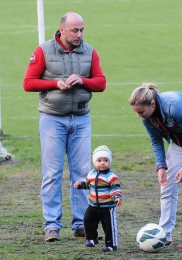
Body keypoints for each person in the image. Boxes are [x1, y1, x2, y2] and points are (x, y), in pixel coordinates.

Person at [23, 12, 106, 242]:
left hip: (80, 119)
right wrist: (54, 84)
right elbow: (28, 82)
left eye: (82, 30)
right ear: (62, 30)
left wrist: (82, 80)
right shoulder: (43, 51)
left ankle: (81, 224)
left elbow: (101, 83)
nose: (79, 34)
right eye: (75, 30)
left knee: (81, 174)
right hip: (52, 119)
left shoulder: (90, 51)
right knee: (52, 173)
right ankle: (52, 225)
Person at [129, 83, 182, 249]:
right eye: (136, 112)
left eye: (141, 112)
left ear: (152, 104)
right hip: (179, 141)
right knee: (167, 187)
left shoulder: (172, 107)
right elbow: (156, 140)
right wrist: (161, 166)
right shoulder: (147, 117)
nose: (139, 116)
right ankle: (164, 234)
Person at [74, 145, 122, 252]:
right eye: (99, 160)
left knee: (109, 227)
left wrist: (117, 197)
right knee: (88, 221)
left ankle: (111, 245)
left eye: (106, 160)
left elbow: (115, 188)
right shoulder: (91, 174)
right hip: (93, 205)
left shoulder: (111, 176)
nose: (102, 163)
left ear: (109, 162)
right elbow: (88, 184)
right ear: (94, 162)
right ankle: (92, 238)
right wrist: (80, 185)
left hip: (107, 208)